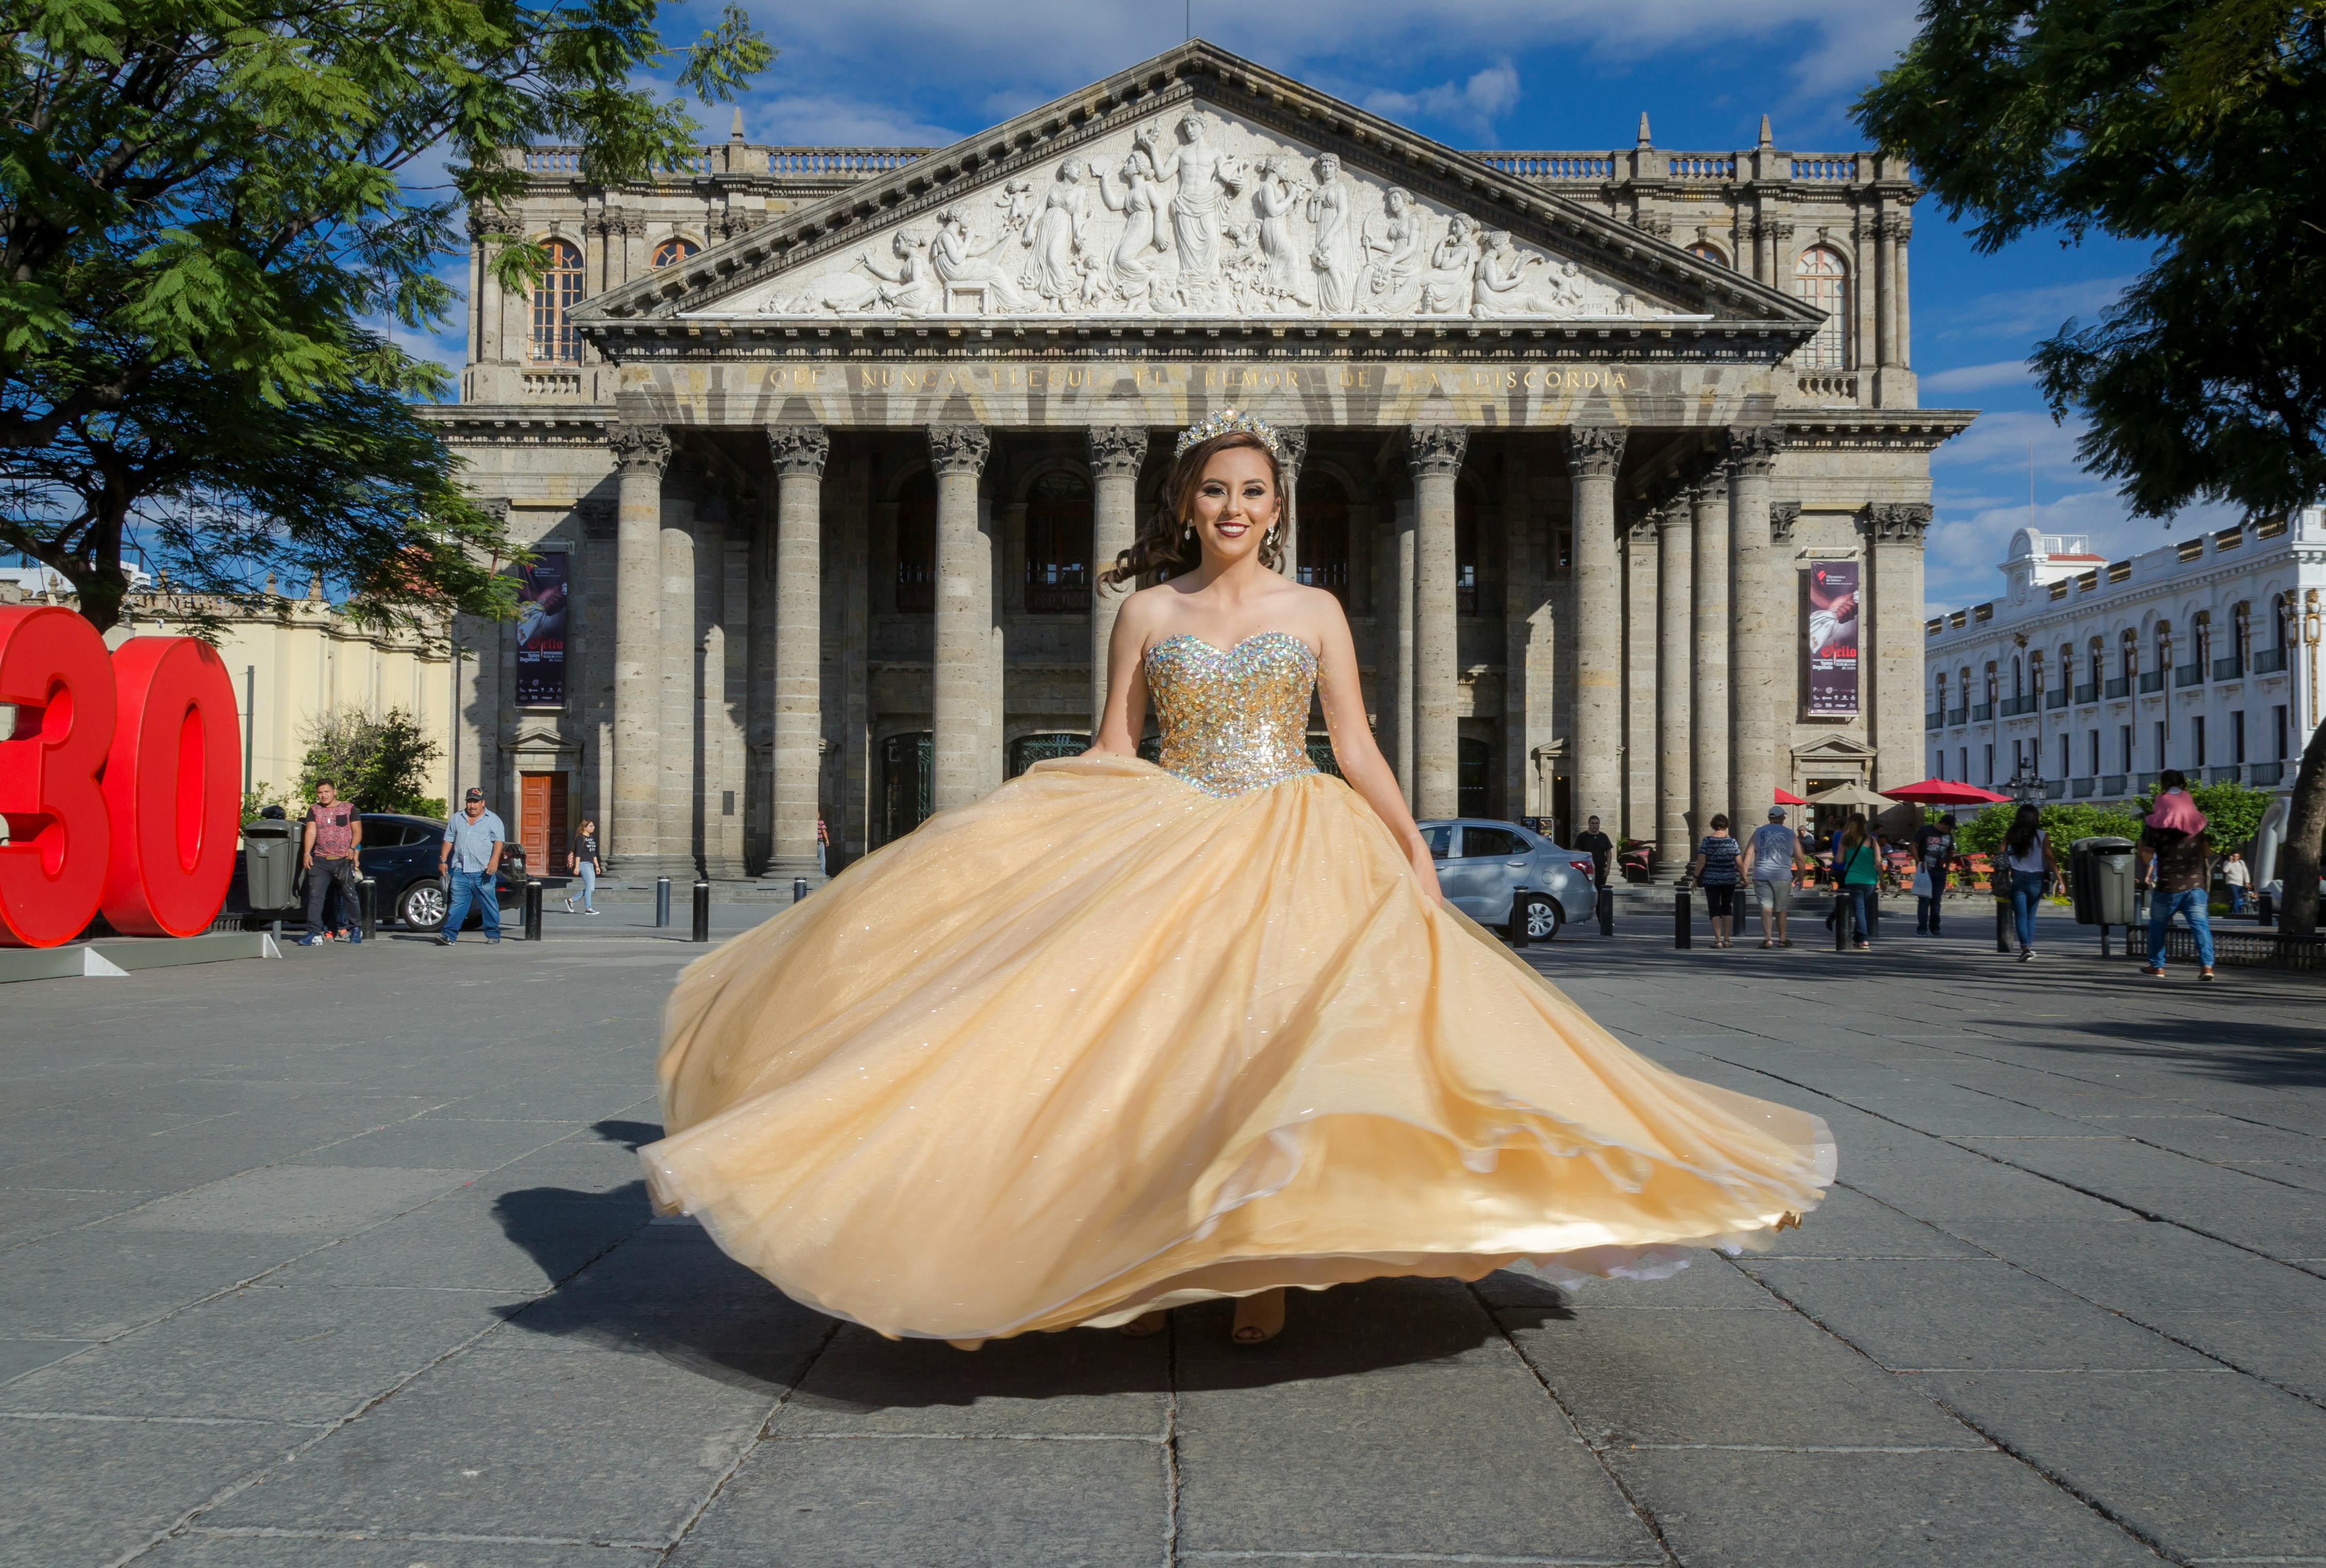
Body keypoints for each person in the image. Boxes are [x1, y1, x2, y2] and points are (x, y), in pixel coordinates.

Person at [637, 414, 1833, 1351]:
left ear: (1277, 506)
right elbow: (1115, 744)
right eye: (1215, 490)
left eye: (1253, 492)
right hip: (1169, 831)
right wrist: (1029, 833)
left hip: (1293, 832)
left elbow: (1353, 742)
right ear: (1186, 502)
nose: (1233, 508)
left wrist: (1411, 848)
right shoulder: (1144, 610)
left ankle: (1258, 1263)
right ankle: (1160, 1243)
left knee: (1282, 1051)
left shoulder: (1314, 609)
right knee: (1163, 1052)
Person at [2138, 771, 2216, 981]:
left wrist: (2141, 845)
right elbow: (2206, 853)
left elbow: (2146, 858)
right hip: (2196, 886)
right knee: (2200, 926)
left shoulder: (2155, 826)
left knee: (2157, 926)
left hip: (2168, 887)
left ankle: (2157, 967)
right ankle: (2207, 967)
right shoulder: (2197, 824)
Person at [297, 780, 363, 948]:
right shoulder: (314, 810)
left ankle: (356, 929)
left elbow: (357, 831)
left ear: (334, 791)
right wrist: (307, 853)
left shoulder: (349, 808)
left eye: (327, 792)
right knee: (316, 897)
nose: (323, 795)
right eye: (320, 792)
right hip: (320, 860)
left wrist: (353, 848)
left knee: (349, 896)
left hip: (343, 860)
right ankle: (313, 933)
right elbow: (311, 832)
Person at [437, 787, 505, 945]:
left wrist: (494, 860)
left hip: (483, 871)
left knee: (488, 904)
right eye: (470, 802)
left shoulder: (493, 819)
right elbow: (449, 839)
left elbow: (499, 841)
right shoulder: (457, 818)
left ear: (483, 803)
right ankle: (449, 935)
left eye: (476, 802)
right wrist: (443, 860)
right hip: (460, 870)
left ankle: (493, 934)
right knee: (458, 904)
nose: (472, 806)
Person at [2001, 803, 2063, 961]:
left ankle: (2025, 948)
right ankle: (2029, 947)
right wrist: (2060, 880)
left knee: (2020, 915)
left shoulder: (2011, 834)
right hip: (2037, 879)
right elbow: (2050, 858)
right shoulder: (2043, 835)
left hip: (2017, 878)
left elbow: (2000, 854)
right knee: (2031, 915)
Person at [1745, 806, 1809, 948]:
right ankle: (1782, 939)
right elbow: (1799, 857)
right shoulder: (1790, 833)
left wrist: (1744, 874)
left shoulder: (1759, 832)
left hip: (1761, 874)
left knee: (1766, 907)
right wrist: (1801, 877)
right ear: (1783, 818)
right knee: (1781, 908)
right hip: (1782, 875)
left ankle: (1768, 938)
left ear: (1769, 818)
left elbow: (1749, 853)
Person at [1689, 813, 1745, 948]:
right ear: (1726, 825)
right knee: (1727, 907)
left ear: (1713, 825)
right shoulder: (1732, 841)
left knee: (1714, 908)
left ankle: (1718, 940)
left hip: (1711, 879)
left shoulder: (1707, 841)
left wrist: (1695, 878)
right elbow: (1739, 863)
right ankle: (1727, 939)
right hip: (1729, 879)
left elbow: (1701, 861)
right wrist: (1744, 877)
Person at [1829, 813, 1883, 951]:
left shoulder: (1845, 840)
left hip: (1853, 879)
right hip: (1870, 880)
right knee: (1862, 908)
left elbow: (1839, 860)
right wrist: (1882, 881)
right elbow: (1878, 862)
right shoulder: (1872, 840)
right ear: (1864, 824)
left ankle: (1864, 938)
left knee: (1859, 909)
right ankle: (1858, 939)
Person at [1913, 813, 1957, 936]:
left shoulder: (1948, 835)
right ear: (1943, 824)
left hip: (1940, 870)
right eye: (1949, 827)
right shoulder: (1925, 830)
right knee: (1924, 900)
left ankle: (1935, 928)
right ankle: (1922, 928)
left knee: (1936, 900)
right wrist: (1918, 861)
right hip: (1924, 868)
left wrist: (1947, 866)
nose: (1950, 830)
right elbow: (1913, 844)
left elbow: (1950, 851)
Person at [565, 818, 602, 915]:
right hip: (583, 864)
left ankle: (571, 900)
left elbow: (593, 853)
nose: (593, 828)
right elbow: (578, 854)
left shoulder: (591, 838)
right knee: (589, 886)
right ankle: (588, 908)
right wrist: (577, 867)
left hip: (591, 864)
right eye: (591, 826)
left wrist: (597, 866)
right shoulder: (581, 838)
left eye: (593, 826)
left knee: (591, 888)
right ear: (585, 827)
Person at [1573, 815, 1614, 891]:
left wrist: (1608, 868)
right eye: (1593, 823)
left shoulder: (1603, 837)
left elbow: (1609, 852)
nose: (1595, 825)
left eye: (1597, 823)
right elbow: (1577, 851)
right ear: (1589, 824)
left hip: (1601, 869)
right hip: (1587, 869)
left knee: (1600, 890)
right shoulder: (1582, 836)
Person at [2223, 851, 2251, 915]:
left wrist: (2247, 882)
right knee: (2236, 897)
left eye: (2237, 857)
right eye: (2234, 857)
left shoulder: (2241, 863)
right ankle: (2237, 912)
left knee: (2237, 899)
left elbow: (2245, 872)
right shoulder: (2227, 863)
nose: (2235, 858)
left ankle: (2231, 912)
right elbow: (2225, 871)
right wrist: (2230, 862)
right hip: (2231, 883)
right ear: (2231, 856)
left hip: (2240, 884)